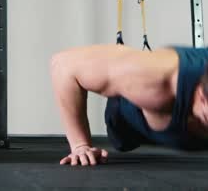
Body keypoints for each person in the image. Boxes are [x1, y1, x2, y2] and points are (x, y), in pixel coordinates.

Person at [50, 44, 208, 166]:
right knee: (122, 139)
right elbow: (64, 65)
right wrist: (80, 146)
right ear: (202, 98)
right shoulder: (155, 78)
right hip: (126, 122)